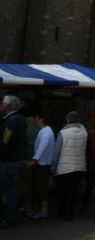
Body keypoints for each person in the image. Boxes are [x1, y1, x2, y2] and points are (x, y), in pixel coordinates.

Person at [52, 111, 87, 221]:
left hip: (64, 168)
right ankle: (70, 214)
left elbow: (57, 152)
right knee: (74, 191)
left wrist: (53, 166)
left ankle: (61, 212)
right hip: (79, 167)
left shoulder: (63, 133)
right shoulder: (84, 133)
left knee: (62, 190)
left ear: (67, 120)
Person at [0, 95, 27, 229]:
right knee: (13, 190)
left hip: (8, 162)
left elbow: (6, 141)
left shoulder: (10, 120)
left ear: (8, 105)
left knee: (8, 191)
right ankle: (14, 215)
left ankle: (10, 218)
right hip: (17, 160)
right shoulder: (21, 119)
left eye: (3, 103)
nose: (1, 105)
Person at [25, 111, 54, 219]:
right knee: (40, 187)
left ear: (41, 119)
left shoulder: (46, 131)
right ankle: (41, 210)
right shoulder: (46, 130)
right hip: (43, 164)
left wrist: (34, 160)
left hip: (42, 164)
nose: (34, 121)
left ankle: (43, 211)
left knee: (41, 188)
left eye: (36, 118)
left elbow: (42, 146)